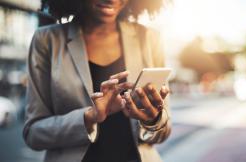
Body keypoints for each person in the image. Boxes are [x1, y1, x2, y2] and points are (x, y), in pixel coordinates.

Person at [23, 0, 171, 162]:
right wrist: (89, 117)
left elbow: (163, 131)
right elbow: (33, 134)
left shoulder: (149, 39)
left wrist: (152, 120)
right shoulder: (46, 40)